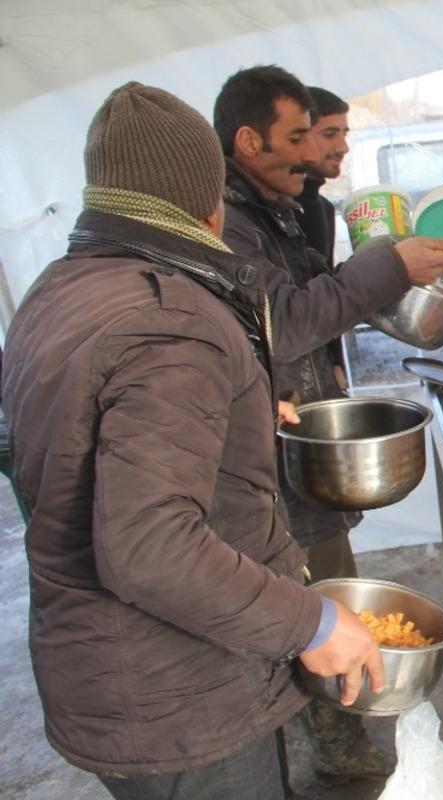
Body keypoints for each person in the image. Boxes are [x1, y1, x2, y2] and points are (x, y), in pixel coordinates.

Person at [1, 82, 384, 800]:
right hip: (179, 691)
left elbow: (45, 429)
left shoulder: (59, 288)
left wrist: (228, 406)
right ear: (204, 201)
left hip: (104, 674)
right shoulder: (170, 316)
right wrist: (310, 620)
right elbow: (148, 545)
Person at [214, 64, 443, 785]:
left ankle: (332, 734)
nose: (315, 152)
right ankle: (336, 746)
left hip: (300, 425)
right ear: (249, 140)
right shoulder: (231, 223)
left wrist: (334, 367)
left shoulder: (283, 207)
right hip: (266, 452)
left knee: (322, 579)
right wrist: (386, 267)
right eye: (301, 137)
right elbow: (282, 321)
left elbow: (309, 304)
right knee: (315, 596)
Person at [297, 86, 352, 391]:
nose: (343, 146)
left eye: (345, 133)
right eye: (330, 133)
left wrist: (334, 362)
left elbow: (324, 288)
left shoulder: (322, 208)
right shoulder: (273, 211)